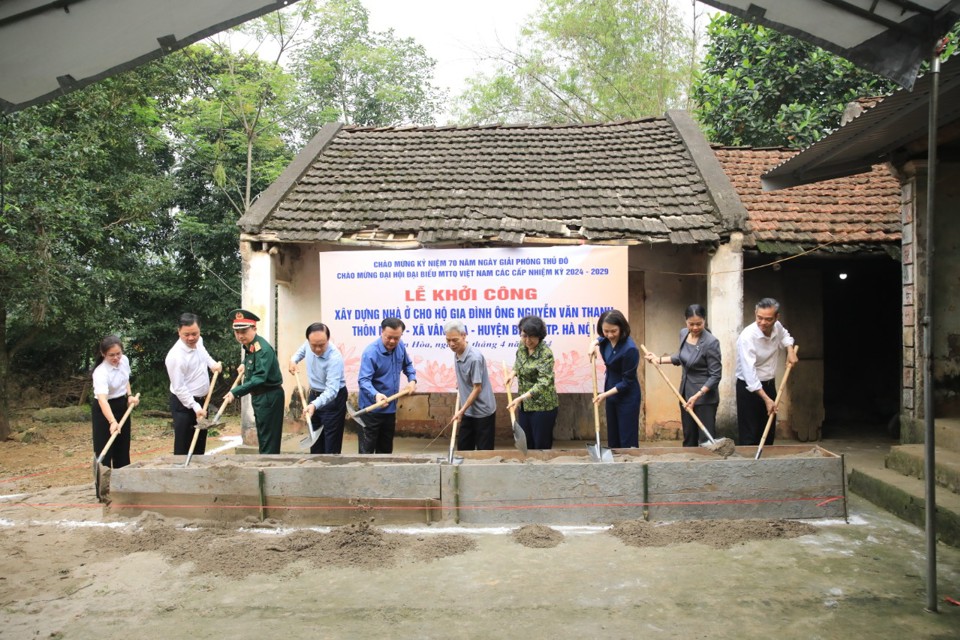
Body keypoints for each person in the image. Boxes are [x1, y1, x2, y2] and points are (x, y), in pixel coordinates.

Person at [644, 304, 722, 447]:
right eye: (691, 324)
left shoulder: (711, 342)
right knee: (689, 437)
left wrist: (698, 395)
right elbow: (681, 357)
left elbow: (715, 376)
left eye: (699, 324)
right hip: (685, 394)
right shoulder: (684, 333)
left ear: (705, 320)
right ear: (685, 321)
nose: (695, 328)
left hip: (704, 398)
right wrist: (658, 359)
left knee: (706, 441)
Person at [735, 297, 799, 446]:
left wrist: (790, 350)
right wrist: (766, 399)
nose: (763, 323)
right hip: (749, 388)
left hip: (769, 384)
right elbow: (749, 374)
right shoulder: (747, 337)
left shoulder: (777, 326)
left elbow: (785, 336)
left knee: (768, 429)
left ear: (777, 317)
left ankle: (767, 464)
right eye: (759, 318)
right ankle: (749, 465)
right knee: (750, 433)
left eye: (768, 319)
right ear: (755, 313)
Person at [223, 309, 284, 454]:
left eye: (244, 331)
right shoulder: (251, 345)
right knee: (263, 435)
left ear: (254, 328)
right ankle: (263, 465)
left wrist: (235, 392)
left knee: (269, 438)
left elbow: (259, 378)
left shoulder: (263, 349)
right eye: (237, 332)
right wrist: (245, 363)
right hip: (260, 397)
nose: (240, 335)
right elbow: (252, 358)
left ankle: (268, 468)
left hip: (269, 397)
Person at [357, 317, 417, 454]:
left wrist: (412, 380)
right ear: (381, 332)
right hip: (371, 411)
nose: (392, 341)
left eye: (396, 338)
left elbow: (407, 365)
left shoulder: (400, 346)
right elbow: (363, 380)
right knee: (366, 452)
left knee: (385, 451)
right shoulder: (371, 352)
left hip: (389, 410)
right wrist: (376, 395)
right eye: (388, 337)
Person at [165, 313, 222, 456]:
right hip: (184, 404)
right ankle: (182, 475)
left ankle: (198, 474)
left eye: (194, 334)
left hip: (202, 402)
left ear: (200, 331)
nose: (191, 338)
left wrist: (213, 364)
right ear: (179, 332)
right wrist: (195, 407)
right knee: (184, 445)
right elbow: (179, 387)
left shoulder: (199, 341)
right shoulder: (175, 357)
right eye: (186, 335)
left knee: (199, 443)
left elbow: (204, 356)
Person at [289, 322, 347, 454]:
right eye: (313, 345)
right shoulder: (308, 344)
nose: (318, 349)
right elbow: (300, 352)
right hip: (314, 395)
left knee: (331, 443)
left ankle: (331, 470)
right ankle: (315, 469)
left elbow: (332, 391)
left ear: (328, 339)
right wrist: (293, 361)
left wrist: (314, 405)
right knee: (314, 436)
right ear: (308, 341)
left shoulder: (335, 358)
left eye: (322, 345)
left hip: (333, 399)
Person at [588, 309, 641, 449]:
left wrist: (604, 395)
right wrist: (593, 344)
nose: (609, 335)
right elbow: (599, 339)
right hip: (610, 391)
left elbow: (627, 382)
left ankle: (630, 466)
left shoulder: (630, 349)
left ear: (622, 328)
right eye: (606, 331)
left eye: (613, 331)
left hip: (627, 395)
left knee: (626, 438)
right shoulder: (604, 340)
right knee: (613, 436)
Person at [505, 315, 559, 449]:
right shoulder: (522, 346)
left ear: (539, 336)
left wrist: (521, 398)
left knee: (541, 445)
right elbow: (519, 363)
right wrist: (512, 374)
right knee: (526, 442)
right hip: (524, 405)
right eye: (524, 336)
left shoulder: (545, 354)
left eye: (531, 336)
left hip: (542, 406)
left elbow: (543, 382)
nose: (527, 340)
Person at [445, 319, 497, 450]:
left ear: (464, 335)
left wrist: (461, 411)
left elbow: (477, 388)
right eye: (448, 340)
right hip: (468, 410)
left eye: (455, 340)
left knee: (484, 453)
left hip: (483, 412)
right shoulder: (457, 352)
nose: (451, 344)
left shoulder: (474, 358)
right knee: (463, 449)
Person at [91, 335, 139, 469]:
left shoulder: (124, 361)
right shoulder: (100, 372)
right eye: (111, 355)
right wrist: (112, 422)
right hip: (104, 410)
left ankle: (123, 483)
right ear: (103, 354)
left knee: (122, 448)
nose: (116, 358)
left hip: (122, 406)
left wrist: (129, 396)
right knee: (104, 449)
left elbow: (125, 380)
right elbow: (102, 400)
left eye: (118, 354)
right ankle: (103, 485)